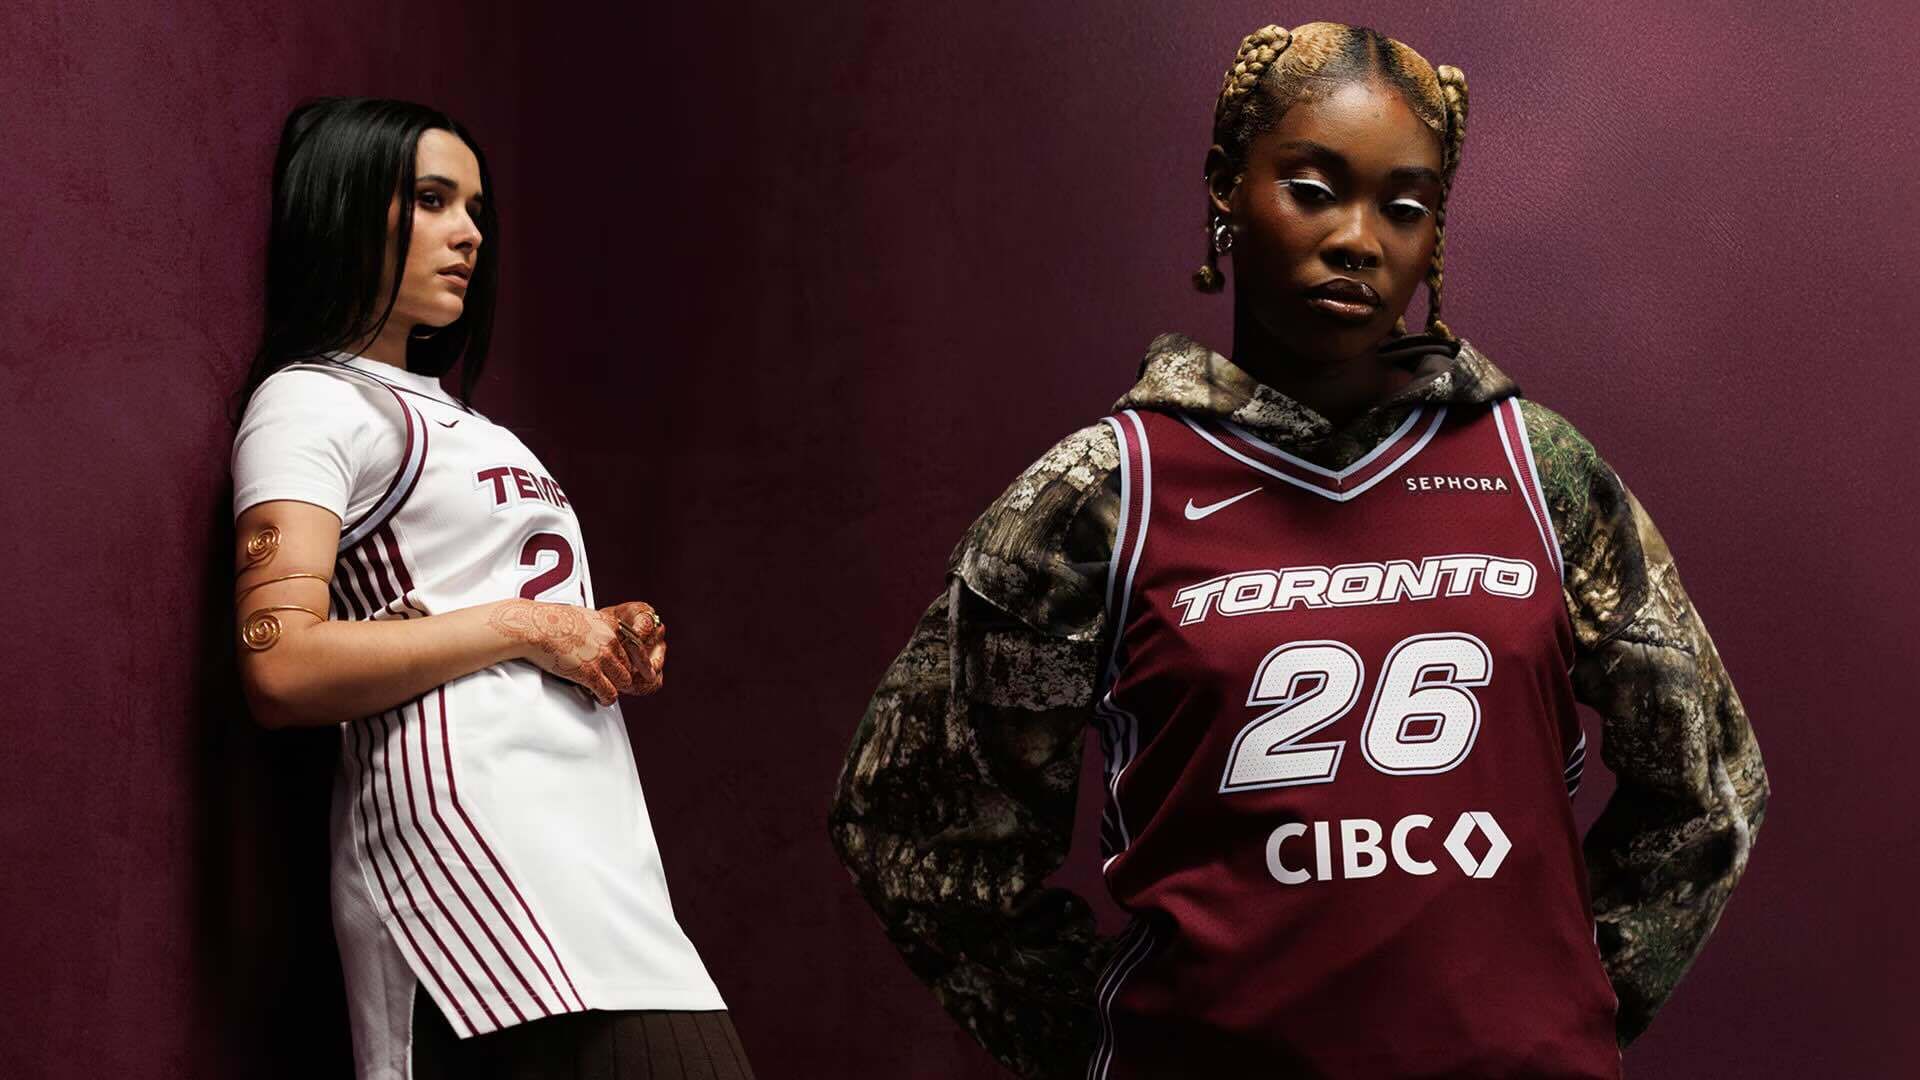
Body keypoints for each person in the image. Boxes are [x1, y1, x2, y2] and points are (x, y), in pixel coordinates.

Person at [829, 21, 1769, 1080]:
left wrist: (1572, 1006)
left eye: (1403, 208)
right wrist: (1102, 1047)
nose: (1359, 238)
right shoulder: (1105, 493)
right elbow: (917, 826)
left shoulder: (1537, 468)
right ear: (1227, 188)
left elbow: (1712, 786)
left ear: (1434, 239)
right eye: (1314, 189)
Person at [228, 97, 754, 1080]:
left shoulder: (474, 426)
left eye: (474, 207)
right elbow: (281, 663)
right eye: (431, 199)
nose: (469, 232)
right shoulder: (311, 399)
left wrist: (598, 631)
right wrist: (529, 624)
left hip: (596, 844)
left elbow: (493, 600)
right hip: (469, 845)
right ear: (342, 201)